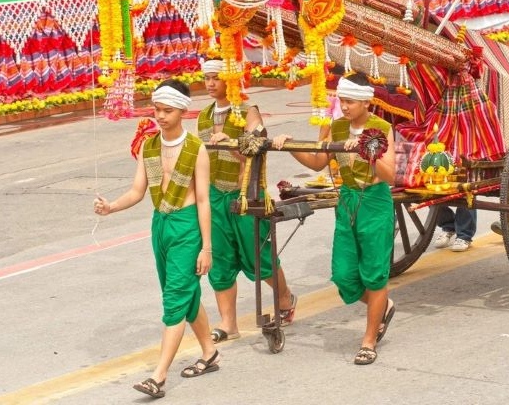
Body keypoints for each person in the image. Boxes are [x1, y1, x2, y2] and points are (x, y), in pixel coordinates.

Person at [93, 79, 218, 399]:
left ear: (182, 111)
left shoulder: (196, 149)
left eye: (167, 110)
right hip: (160, 226)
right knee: (184, 294)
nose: (160, 116)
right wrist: (111, 207)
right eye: (157, 110)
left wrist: (207, 247)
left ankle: (158, 376)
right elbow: (137, 190)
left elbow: (204, 200)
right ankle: (209, 353)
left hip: (187, 228)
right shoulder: (149, 146)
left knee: (175, 299)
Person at [272, 73, 397, 365]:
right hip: (348, 201)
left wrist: (368, 153)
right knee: (343, 277)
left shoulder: (382, 128)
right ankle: (383, 307)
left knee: (375, 275)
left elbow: (389, 176)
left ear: (367, 102)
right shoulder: (337, 126)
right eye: (342, 99)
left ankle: (368, 340)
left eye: (351, 101)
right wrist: (289, 145)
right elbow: (318, 161)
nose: (345, 105)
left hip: (375, 203)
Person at [197, 60, 297, 344]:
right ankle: (229, 324)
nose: (211, 83)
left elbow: (256, 153)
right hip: (215, 195)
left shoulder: (248, 112)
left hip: (246, 193)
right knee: (220, 260)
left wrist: (231, 142)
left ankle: (286, 298)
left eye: (216, 77)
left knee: (260, 257)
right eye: (207, 78)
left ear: (231, 79)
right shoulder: (203, 116)